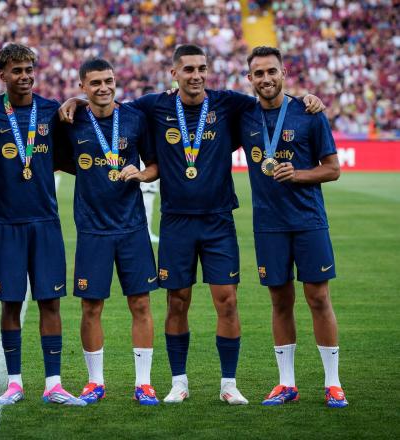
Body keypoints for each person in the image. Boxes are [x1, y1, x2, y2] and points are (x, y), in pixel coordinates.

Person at [58, 44, 324, 405]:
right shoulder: (154, 106)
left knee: (227, 301)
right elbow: (106, 104)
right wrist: (76, 98)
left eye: (201, 68)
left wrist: (307, 98)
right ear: (174, 74)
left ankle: (228, 384)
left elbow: (272, 97)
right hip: (176, 221)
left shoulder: (229, 103)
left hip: (218, 219)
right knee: (177, 302)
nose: (196, 75)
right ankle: (179, 382)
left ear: (208, 71)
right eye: (188, 70)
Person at [0, 43, 84, 406]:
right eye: (16, 70)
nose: (24, 76)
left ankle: (54, 384)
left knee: (50, 302)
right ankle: (15, 383)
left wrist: (79, 100)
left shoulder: (52, 112)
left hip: (46, 221)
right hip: (6, 223)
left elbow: (77, 153)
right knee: (10, 303)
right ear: (1, 74)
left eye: (29, 69)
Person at [239, 46, 347, 408]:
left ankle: (333, 383)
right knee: (279, 301)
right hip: (268, 225)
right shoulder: (243, 116)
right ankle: (286, 384)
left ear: (284, 73)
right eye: (259, 74)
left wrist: (298, 174)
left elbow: (332, 168)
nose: (266, 79)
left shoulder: (308, 113)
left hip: (308, 221)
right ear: (249, 79)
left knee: (318, 298)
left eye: (272, 71)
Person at [56, 58, 160, 405]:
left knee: (141, 303)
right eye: (95, 82)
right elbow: (57, 159)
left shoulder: (134, 119)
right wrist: (70, 104)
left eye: (109, 80)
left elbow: (155, 164)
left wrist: (142, 175)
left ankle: (143, 383)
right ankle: (94, 381)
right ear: (82, 86)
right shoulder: (71, 120)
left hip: (132, 227)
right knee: (91, 307)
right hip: (92, 228)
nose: (104, 87)